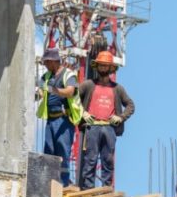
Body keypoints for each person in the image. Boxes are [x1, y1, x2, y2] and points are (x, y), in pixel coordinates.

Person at [77, 51, 134, 189]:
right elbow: (72, 98)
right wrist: (82, 113)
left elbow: (130, 105)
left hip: (109, 128)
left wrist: (120, 117)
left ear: (110, 68)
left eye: (105, 66)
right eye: (101, 65)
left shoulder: (117, 89)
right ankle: (87, 190)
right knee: (90, 160)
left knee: (107, 161)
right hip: (92, 127)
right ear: (97, 67)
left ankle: (106, 191)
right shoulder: (88, 85)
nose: (103, 68)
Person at [36, 48, 83, 186]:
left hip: (64, 120)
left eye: (46, 62)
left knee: (63, 150)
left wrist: (53, 90)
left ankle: (63, 182)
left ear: (53, 61)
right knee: (49, 150)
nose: (45, 65)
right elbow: (41, 91)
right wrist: (36, 93)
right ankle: (48, 181)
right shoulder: (46, 77)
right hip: (51, 120)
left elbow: (70, 91)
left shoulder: (68, 75)